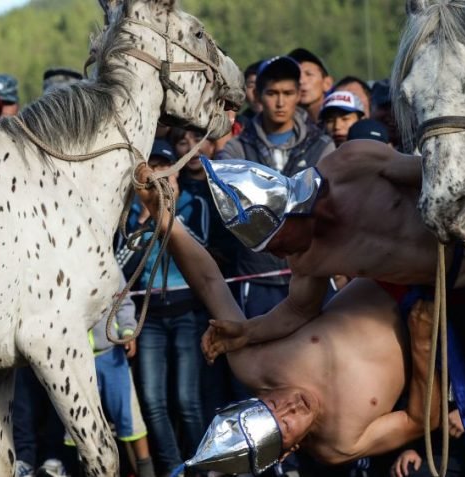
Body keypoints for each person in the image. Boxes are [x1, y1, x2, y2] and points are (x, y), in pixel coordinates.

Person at [128, 177, 440, 473]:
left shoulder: (255, 364)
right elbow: (419, 420)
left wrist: (162, 215)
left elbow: (211, 284)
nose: (292, 407)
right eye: (288, 425)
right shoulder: (340, 443)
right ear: (289, 450)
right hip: (445, 335)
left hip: (396, 267)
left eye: (273, 405)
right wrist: (424, 345)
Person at [215, 55, 334, 321]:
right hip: (257, 279)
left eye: (288, 93)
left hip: (312, 274)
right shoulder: (236, 149)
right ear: (257, 95)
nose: (280, 102)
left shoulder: (323, 145)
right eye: (272, 93)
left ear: (297, 95)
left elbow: (329, 204)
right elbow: (234, 210)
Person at [122, 139, 207, 476]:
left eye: (166, 171)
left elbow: (201, 248)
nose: (159, 177)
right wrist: (146, 215)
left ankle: (202, 465)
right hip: (149, 317)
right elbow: (122, 265)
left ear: (177, 175)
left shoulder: (194, 205)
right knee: (153, 401)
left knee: (188, 400)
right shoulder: (129, 214)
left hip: (187, 313)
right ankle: (173, 467)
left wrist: (167, 210)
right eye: (152, 171)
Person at [71, 273, 156, 477]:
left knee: (131, 423)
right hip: (74, 361)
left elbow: (123, 300)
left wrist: (128, 331)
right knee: (82, 432)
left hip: (111, 354)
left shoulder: (105, 256)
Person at [288, 48, 334, 124]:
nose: (301, 81)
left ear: (327, 84)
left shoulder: (338, 125)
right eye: (296, 76)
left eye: (309, 74)